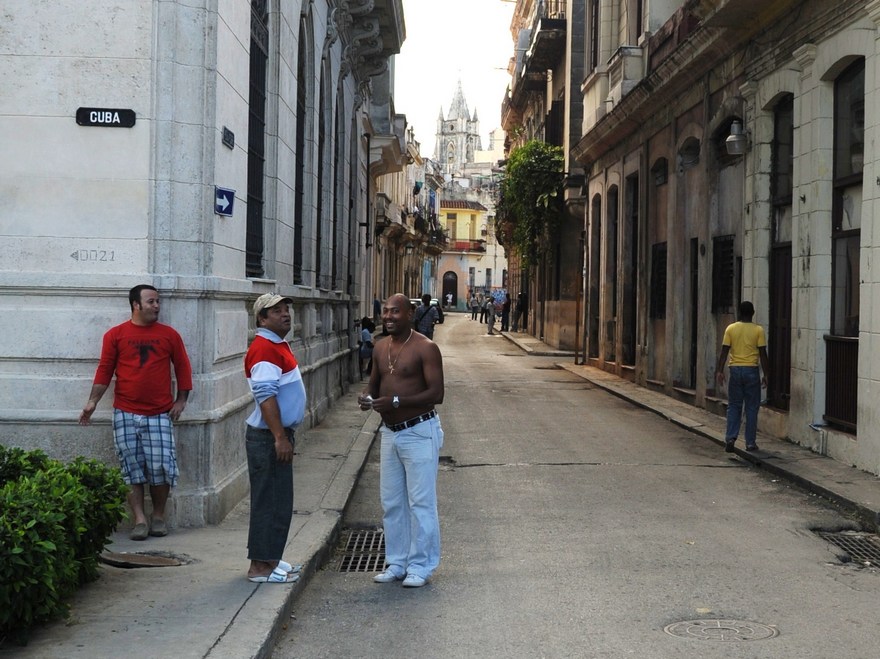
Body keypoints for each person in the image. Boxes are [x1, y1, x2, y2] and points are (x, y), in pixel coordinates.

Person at [79, 284, 192, 541]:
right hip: (125, 412)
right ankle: (139, 519)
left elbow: (183, 366)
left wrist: (181, 400)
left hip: (159, 413)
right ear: (136, 305)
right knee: (131, 469)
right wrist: (92, 402)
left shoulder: (169, 335)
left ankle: (159, 516)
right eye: (151, 301)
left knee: (162, 467)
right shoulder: (115, 335)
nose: (156, 306)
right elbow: (105, 369)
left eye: (158, 301)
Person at [357, 294, 445, 588]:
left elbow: (436, 394)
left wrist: (396, 401)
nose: (388, 317)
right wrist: (367, 400)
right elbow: (373, 387)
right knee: (392, 502)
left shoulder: (426, 348)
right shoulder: (381, 348)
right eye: (385, 312)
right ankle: (397, 562)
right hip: (390, 433)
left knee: (421, 502)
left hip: (420, 430)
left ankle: (421, 565)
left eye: (395, 312)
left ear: (410, 314)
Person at [243, 293, 307, 583]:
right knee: (268, 501)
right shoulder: (265, 349)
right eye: (276, 311)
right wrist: (280, 437)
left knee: (279, 500)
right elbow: (266, 395)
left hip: (276, 435)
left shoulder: (275, 345)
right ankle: (259, 568)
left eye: (286, 310)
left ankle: (270, 558)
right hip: (269, 437)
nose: (285, 314)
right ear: (262, 319)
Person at [715, 300, 771, 453]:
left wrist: (719, 371)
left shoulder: (731, 329)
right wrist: (766, 374)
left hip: (735, 370)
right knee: (752, 407)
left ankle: (731, 437)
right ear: (752, 313)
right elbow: (763, 354)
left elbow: (724, 351)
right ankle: (750, 443)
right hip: (751, 371)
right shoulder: (758, 330)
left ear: (739, 312)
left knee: (734, 405)